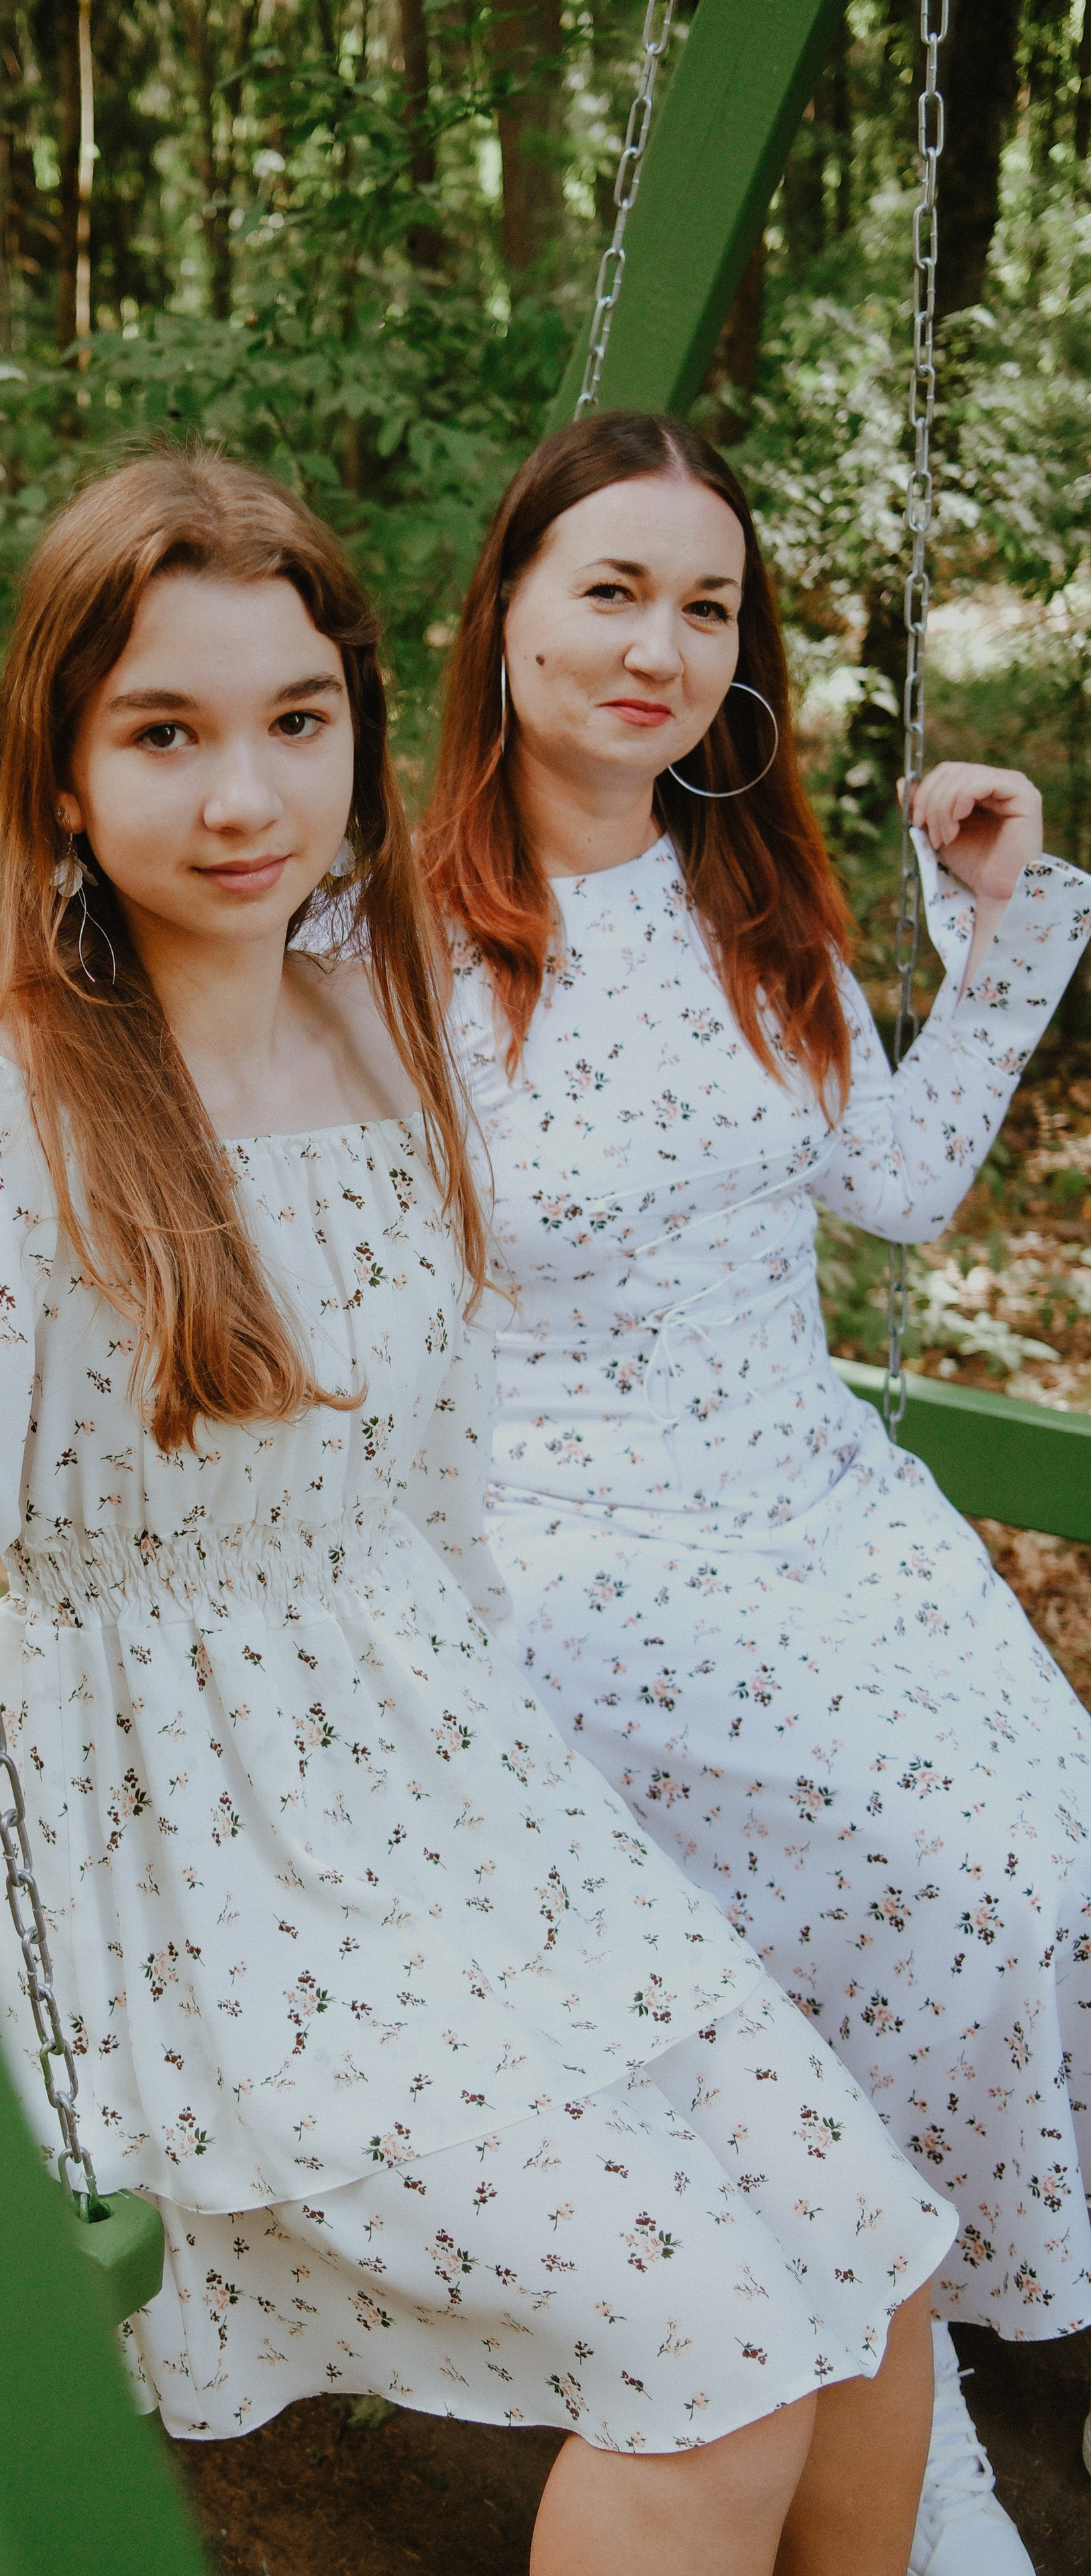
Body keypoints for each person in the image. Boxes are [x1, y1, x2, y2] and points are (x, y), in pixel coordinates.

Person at [0, 449, 952, 2574]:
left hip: (460, 1787)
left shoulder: (384, 1017)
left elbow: (446, 1470)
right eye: (165, 733)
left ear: (361, 734)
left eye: (298, 721)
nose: (247, 797)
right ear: (58, 775)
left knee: (875, 2258)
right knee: (721, 2361)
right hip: (195, 1866)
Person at [423, 409, 1091, 2576]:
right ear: (507, 609)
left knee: (1038, 1874)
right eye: (611, 590)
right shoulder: (390, 940)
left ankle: (911, 2356)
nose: (659, 647)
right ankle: (880, 2412)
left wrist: (995, 928)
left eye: (705, 606)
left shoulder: (746, 893)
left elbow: (894, 1187)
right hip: (579, 1563)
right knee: (889, 1909)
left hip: (822, 1518)